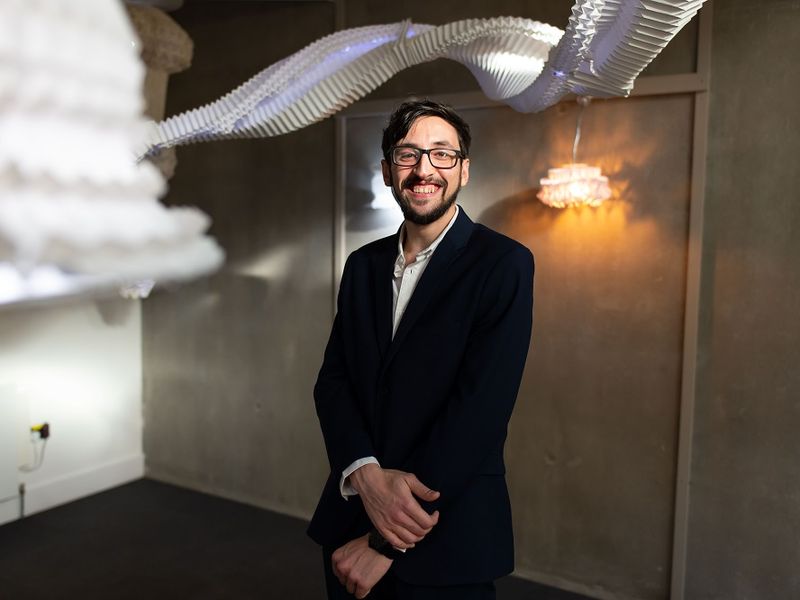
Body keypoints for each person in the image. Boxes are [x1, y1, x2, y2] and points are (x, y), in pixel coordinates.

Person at [308, 99, 534, 599]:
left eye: (441, 154)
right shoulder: (362, 264)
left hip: (445, 535)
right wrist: (364, 477)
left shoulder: (504, 264)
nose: (424, 169)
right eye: (408, 155)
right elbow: (335, 381)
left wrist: (385, 542)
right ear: (388, 171)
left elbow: (480, 411)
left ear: (464, 169)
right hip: (348, 517)